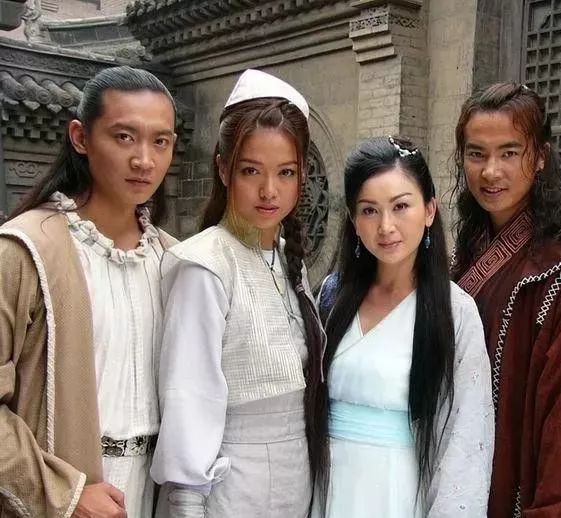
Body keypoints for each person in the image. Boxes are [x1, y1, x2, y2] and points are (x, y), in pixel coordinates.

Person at [0, 65, 177, 518]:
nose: (144, 160)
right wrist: (65, 493)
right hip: (66, 493)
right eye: (124, 137)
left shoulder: (175, 260)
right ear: (80, 137)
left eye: (160, 141)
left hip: (156, 493)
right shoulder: (25, 252)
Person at [150, 69, 327, 518]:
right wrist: (188, 504)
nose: (270, 190)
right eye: (251, 171)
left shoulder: (287, 260)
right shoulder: (205, 265)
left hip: (297, 478)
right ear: (223, 168)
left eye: (286, 172)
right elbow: (189, 396)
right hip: (231, 485)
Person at [450, 82, 561, 517]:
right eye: (476, 154)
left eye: (510, 153)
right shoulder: (474, 243)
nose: (491, 172)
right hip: (460, 483)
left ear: (541, 156)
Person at [315, 137, 494, 517]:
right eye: (369, 210)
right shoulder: (332, 297)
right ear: (353, 220)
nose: (386, 226)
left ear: (429, 210)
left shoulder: (454, 311)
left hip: (399, 491)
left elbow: (465, 440)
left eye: (400, 206)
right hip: (328, 488)